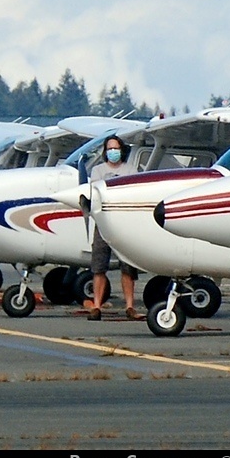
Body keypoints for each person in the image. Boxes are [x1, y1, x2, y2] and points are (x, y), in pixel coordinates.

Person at [86, 134, 143, 321]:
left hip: (124, 225)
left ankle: (129, 306)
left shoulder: (131, 170)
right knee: (98, 267)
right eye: (109, 149)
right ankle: (96, 306)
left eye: (116, 149)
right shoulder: (97, 170)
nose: (113, 152)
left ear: (122, 150)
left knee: (127, 267)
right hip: (103, 224)